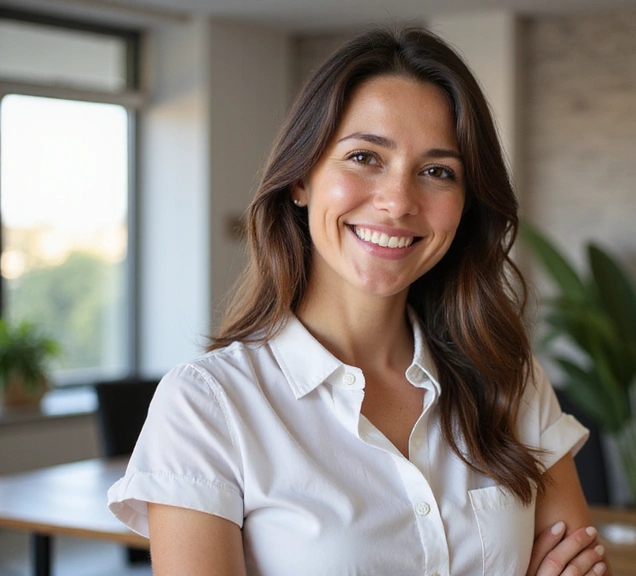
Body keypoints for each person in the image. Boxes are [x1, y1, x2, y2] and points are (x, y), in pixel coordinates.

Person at [108, 26, 610, 576]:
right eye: (365, 157)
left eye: (438, 171)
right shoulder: (208, 405)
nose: (397, 201)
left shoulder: (509, 380)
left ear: (466, 204)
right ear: (301, 178)